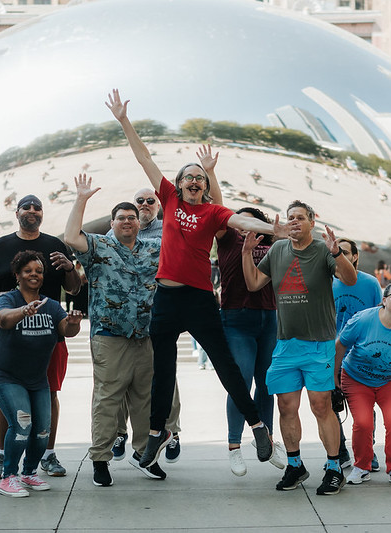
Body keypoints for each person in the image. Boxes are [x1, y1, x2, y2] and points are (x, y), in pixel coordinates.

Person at [107, 89, 289, 469]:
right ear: (178, 183)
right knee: (163, 370)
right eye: (188, 176)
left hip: (201, 300)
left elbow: (241, 220)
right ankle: (157, 434)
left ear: (205, 186)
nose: (194, 181)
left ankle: (256, 425)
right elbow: (144, 157)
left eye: (199, 178)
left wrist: (275, 230)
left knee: (226, 366)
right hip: (167, 300)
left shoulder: (213, 212)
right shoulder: (169, 198)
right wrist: (124, 120)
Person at [242, 200, 358, 496]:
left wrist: (336, 252)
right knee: (286, 407)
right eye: (290, 217)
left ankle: (334, 468)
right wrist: (245, 253)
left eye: (300, 218)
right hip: (286, 344)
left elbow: (350, 278)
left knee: (321, 407)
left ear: (311, 222)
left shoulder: (322, 250)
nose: (294, 222)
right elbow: (254, 283)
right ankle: (295, 465)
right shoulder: (277, 250)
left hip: (319, 344)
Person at [66, 174, 167, 486]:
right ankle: (100, 458)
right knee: (108, 398)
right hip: (109, 336)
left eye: (132, 218)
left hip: (146, 335)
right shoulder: (99, 246)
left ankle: (143, 455)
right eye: (121, 217)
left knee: (145, 399)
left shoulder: (154, 247)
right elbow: (71, 236)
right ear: (111, 222)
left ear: (140, 222)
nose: (127, 222)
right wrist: (81, 198)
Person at [0, 194, 81, 479]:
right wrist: (5, 300)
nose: (32, 211)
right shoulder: (2, 246)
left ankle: (48, 455)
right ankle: (2, 456)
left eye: (37, 207)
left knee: (50, 393)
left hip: (51, 333)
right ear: (17, 212)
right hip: (12, 334)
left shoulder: (54, 245)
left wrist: (71, 268)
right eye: (27, 207)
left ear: (42, 213)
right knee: (7, 398)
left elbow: (73, 289)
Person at [0, 250, 82, 497]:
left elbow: (65, 330)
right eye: (28, 271)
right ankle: (8, 476)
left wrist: (73, 322)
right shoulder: (8, 299)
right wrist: (24, 311)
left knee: (43, 429)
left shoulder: (50, 305)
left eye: (39, 271)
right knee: (21, 423)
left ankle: (29, 473)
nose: (34, 275)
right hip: (5, 375)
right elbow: (3, 320)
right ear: (17, 275)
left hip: (37, 378)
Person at [106, 188, 184, 464]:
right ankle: (118, 433)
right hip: (123, 318)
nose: (144, 205)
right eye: (139, 201)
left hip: (158, 314)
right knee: (121, 380)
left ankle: (171, 431)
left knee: (165, 375)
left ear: (159, 205)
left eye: (151, 201)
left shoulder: (169, 229)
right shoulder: (116, 233)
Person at [216, 207, 285, 476]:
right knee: (241, 382)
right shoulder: (227, 239)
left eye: (251, 221)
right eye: (240, 221)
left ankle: (265, 441)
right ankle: (234, 446)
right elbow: (217, 212)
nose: (245, 226)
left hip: (269, 319)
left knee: (267, 384)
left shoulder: (273, 246)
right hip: (236, 319)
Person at [335, 282, 391, 486]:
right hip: (357, 378)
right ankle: (361, 466)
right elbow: (340, 346)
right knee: (363, 423)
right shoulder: (363, 319)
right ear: (384, 300)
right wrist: (334, 378)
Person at [331, 237, 383, 471]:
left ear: (354, 257)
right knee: (329, 405)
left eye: (344, 252)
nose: (339, 255)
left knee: (363, 408)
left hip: (362, 355)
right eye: (335, 252)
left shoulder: (370, 283)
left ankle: (367, 452)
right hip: (332, 355)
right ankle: (339, 453)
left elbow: (380, 317)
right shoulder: (327, 283)